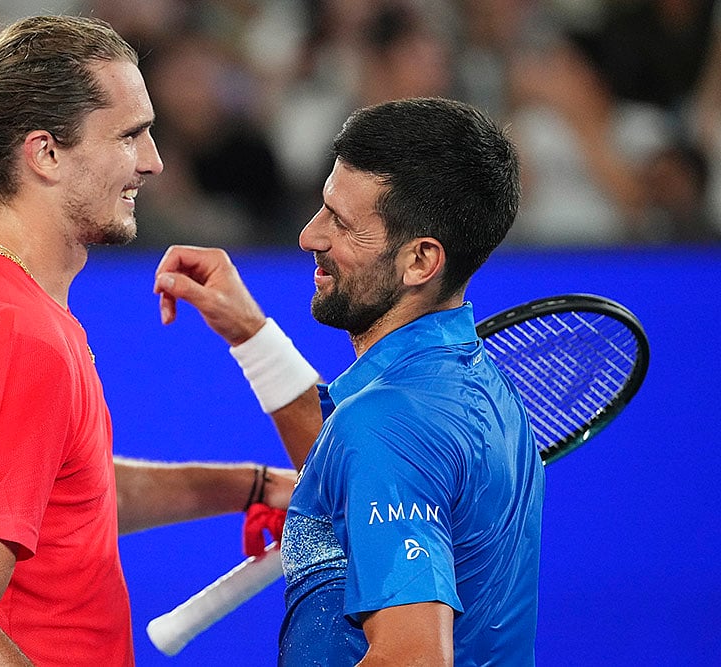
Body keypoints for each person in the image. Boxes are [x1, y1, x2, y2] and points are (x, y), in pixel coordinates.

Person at [0, 15, 294, 667]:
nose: (152, 161)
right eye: (130, 136)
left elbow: (68, 493)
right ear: (45, 154)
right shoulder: (11, 336)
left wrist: (252, 484)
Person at [154, 97, 546, 666]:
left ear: (419, 261)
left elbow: (412, 660)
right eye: (323, 208)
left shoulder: (386, 425)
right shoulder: (475, 389)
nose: (309, 235)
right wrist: (250, 334)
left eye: (340, 222)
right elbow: (343, 458)